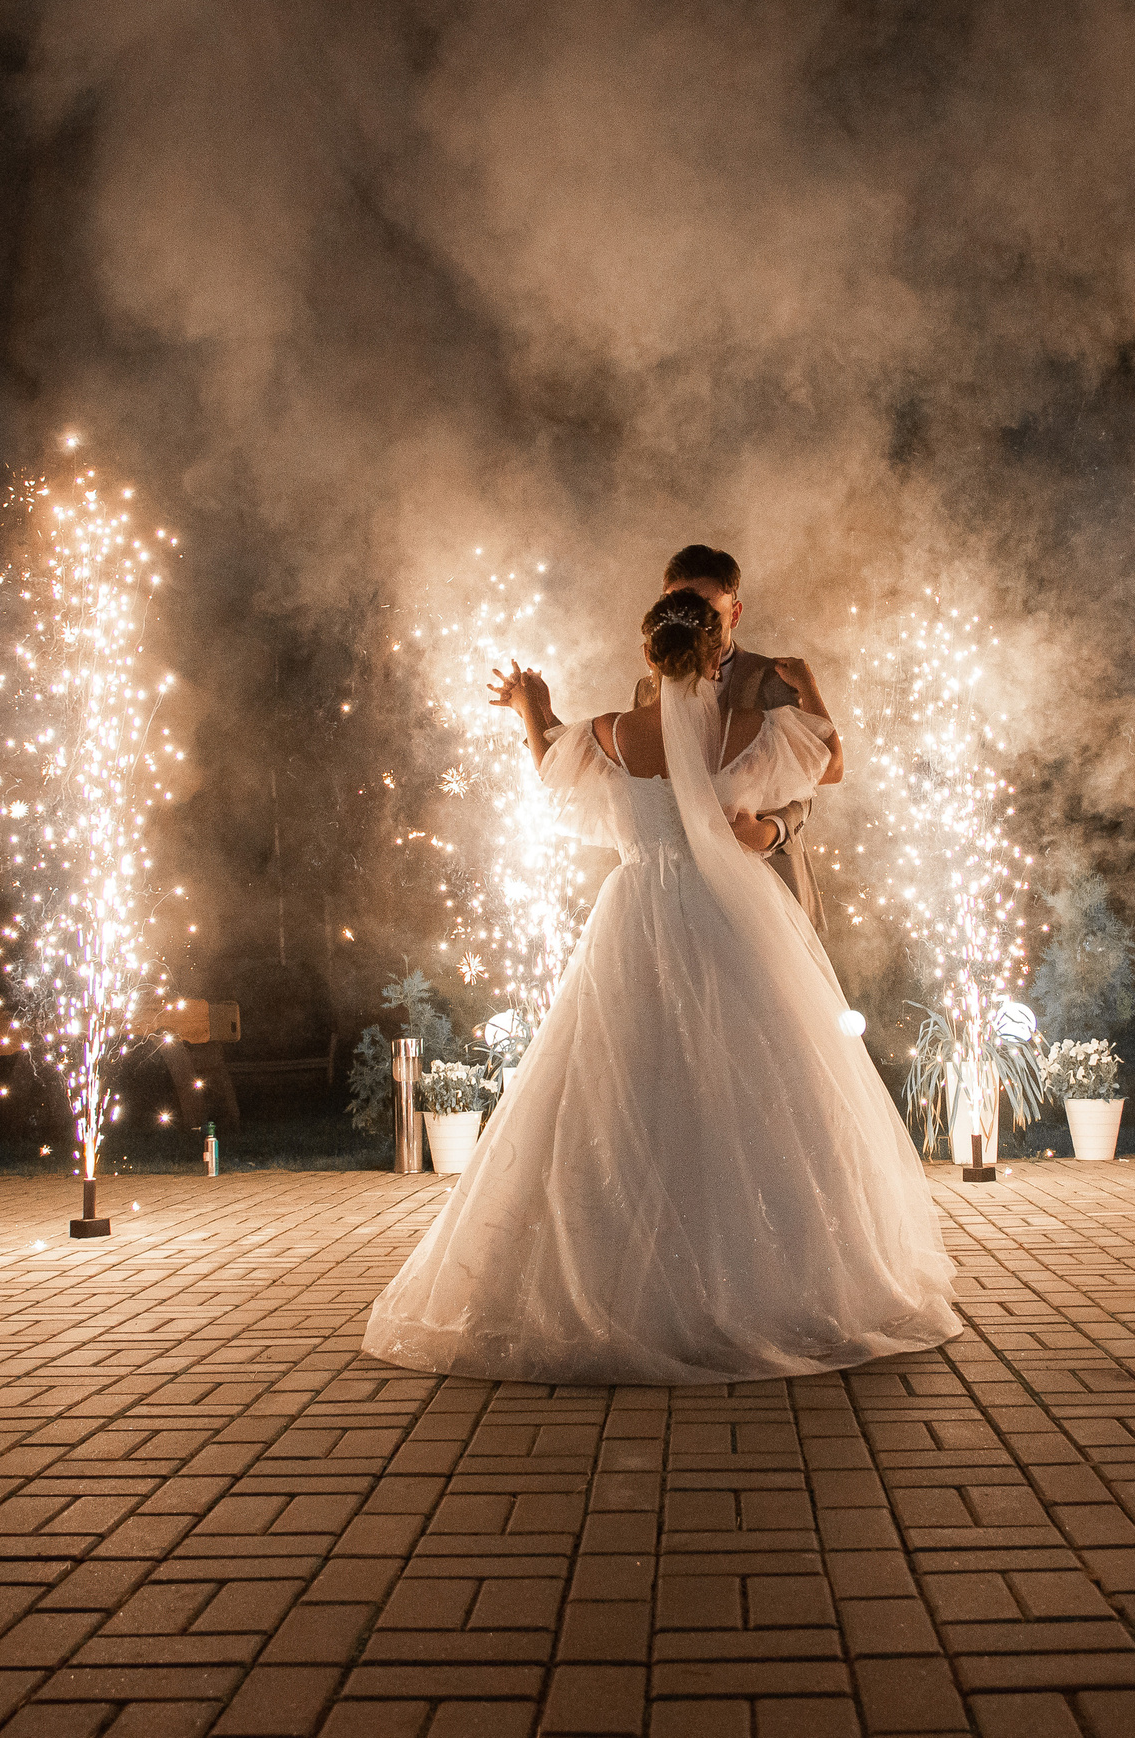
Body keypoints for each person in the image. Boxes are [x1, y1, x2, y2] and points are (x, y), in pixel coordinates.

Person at [361, 588, 960, 1386]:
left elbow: (549, 764)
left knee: (622, 1083)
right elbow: (825, 752)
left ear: (649, 655)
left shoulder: (611, 733)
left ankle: (621, 1282)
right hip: (732, 914)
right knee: (757, 1085)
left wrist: (530, 706)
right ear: (719, 653)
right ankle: (771, 1283)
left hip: (637, 911)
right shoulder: (754, 729)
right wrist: (810, 686)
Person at [632, 544, 833, 929]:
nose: (692, 617)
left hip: (767, 882)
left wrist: (769, 830)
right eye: (679, 603)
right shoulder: (647, 688)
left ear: (735, 613)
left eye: (707, 606)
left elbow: (811, 781)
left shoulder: (773, 680)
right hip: (681, 889)